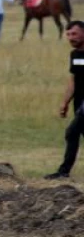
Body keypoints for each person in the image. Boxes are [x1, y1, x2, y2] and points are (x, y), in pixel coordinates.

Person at [45, 21, 84, 179]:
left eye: (74, 34)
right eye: (68, 34)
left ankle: (63, 172)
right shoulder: (75, 55)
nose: (70, 38)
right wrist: (65, 102)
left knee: (71, 132)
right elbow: (74, 80)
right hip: (79, 102)